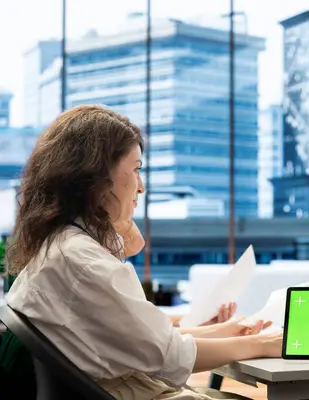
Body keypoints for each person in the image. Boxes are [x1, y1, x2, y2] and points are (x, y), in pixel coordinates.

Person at [1, 105, 282, 400]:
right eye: (136, 170)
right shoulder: (84, 262)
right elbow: (171, 356)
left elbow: (153, 343)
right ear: (95, 177)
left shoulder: (63, 248)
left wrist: (233, 330)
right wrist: (265, 343)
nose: (141, 187)